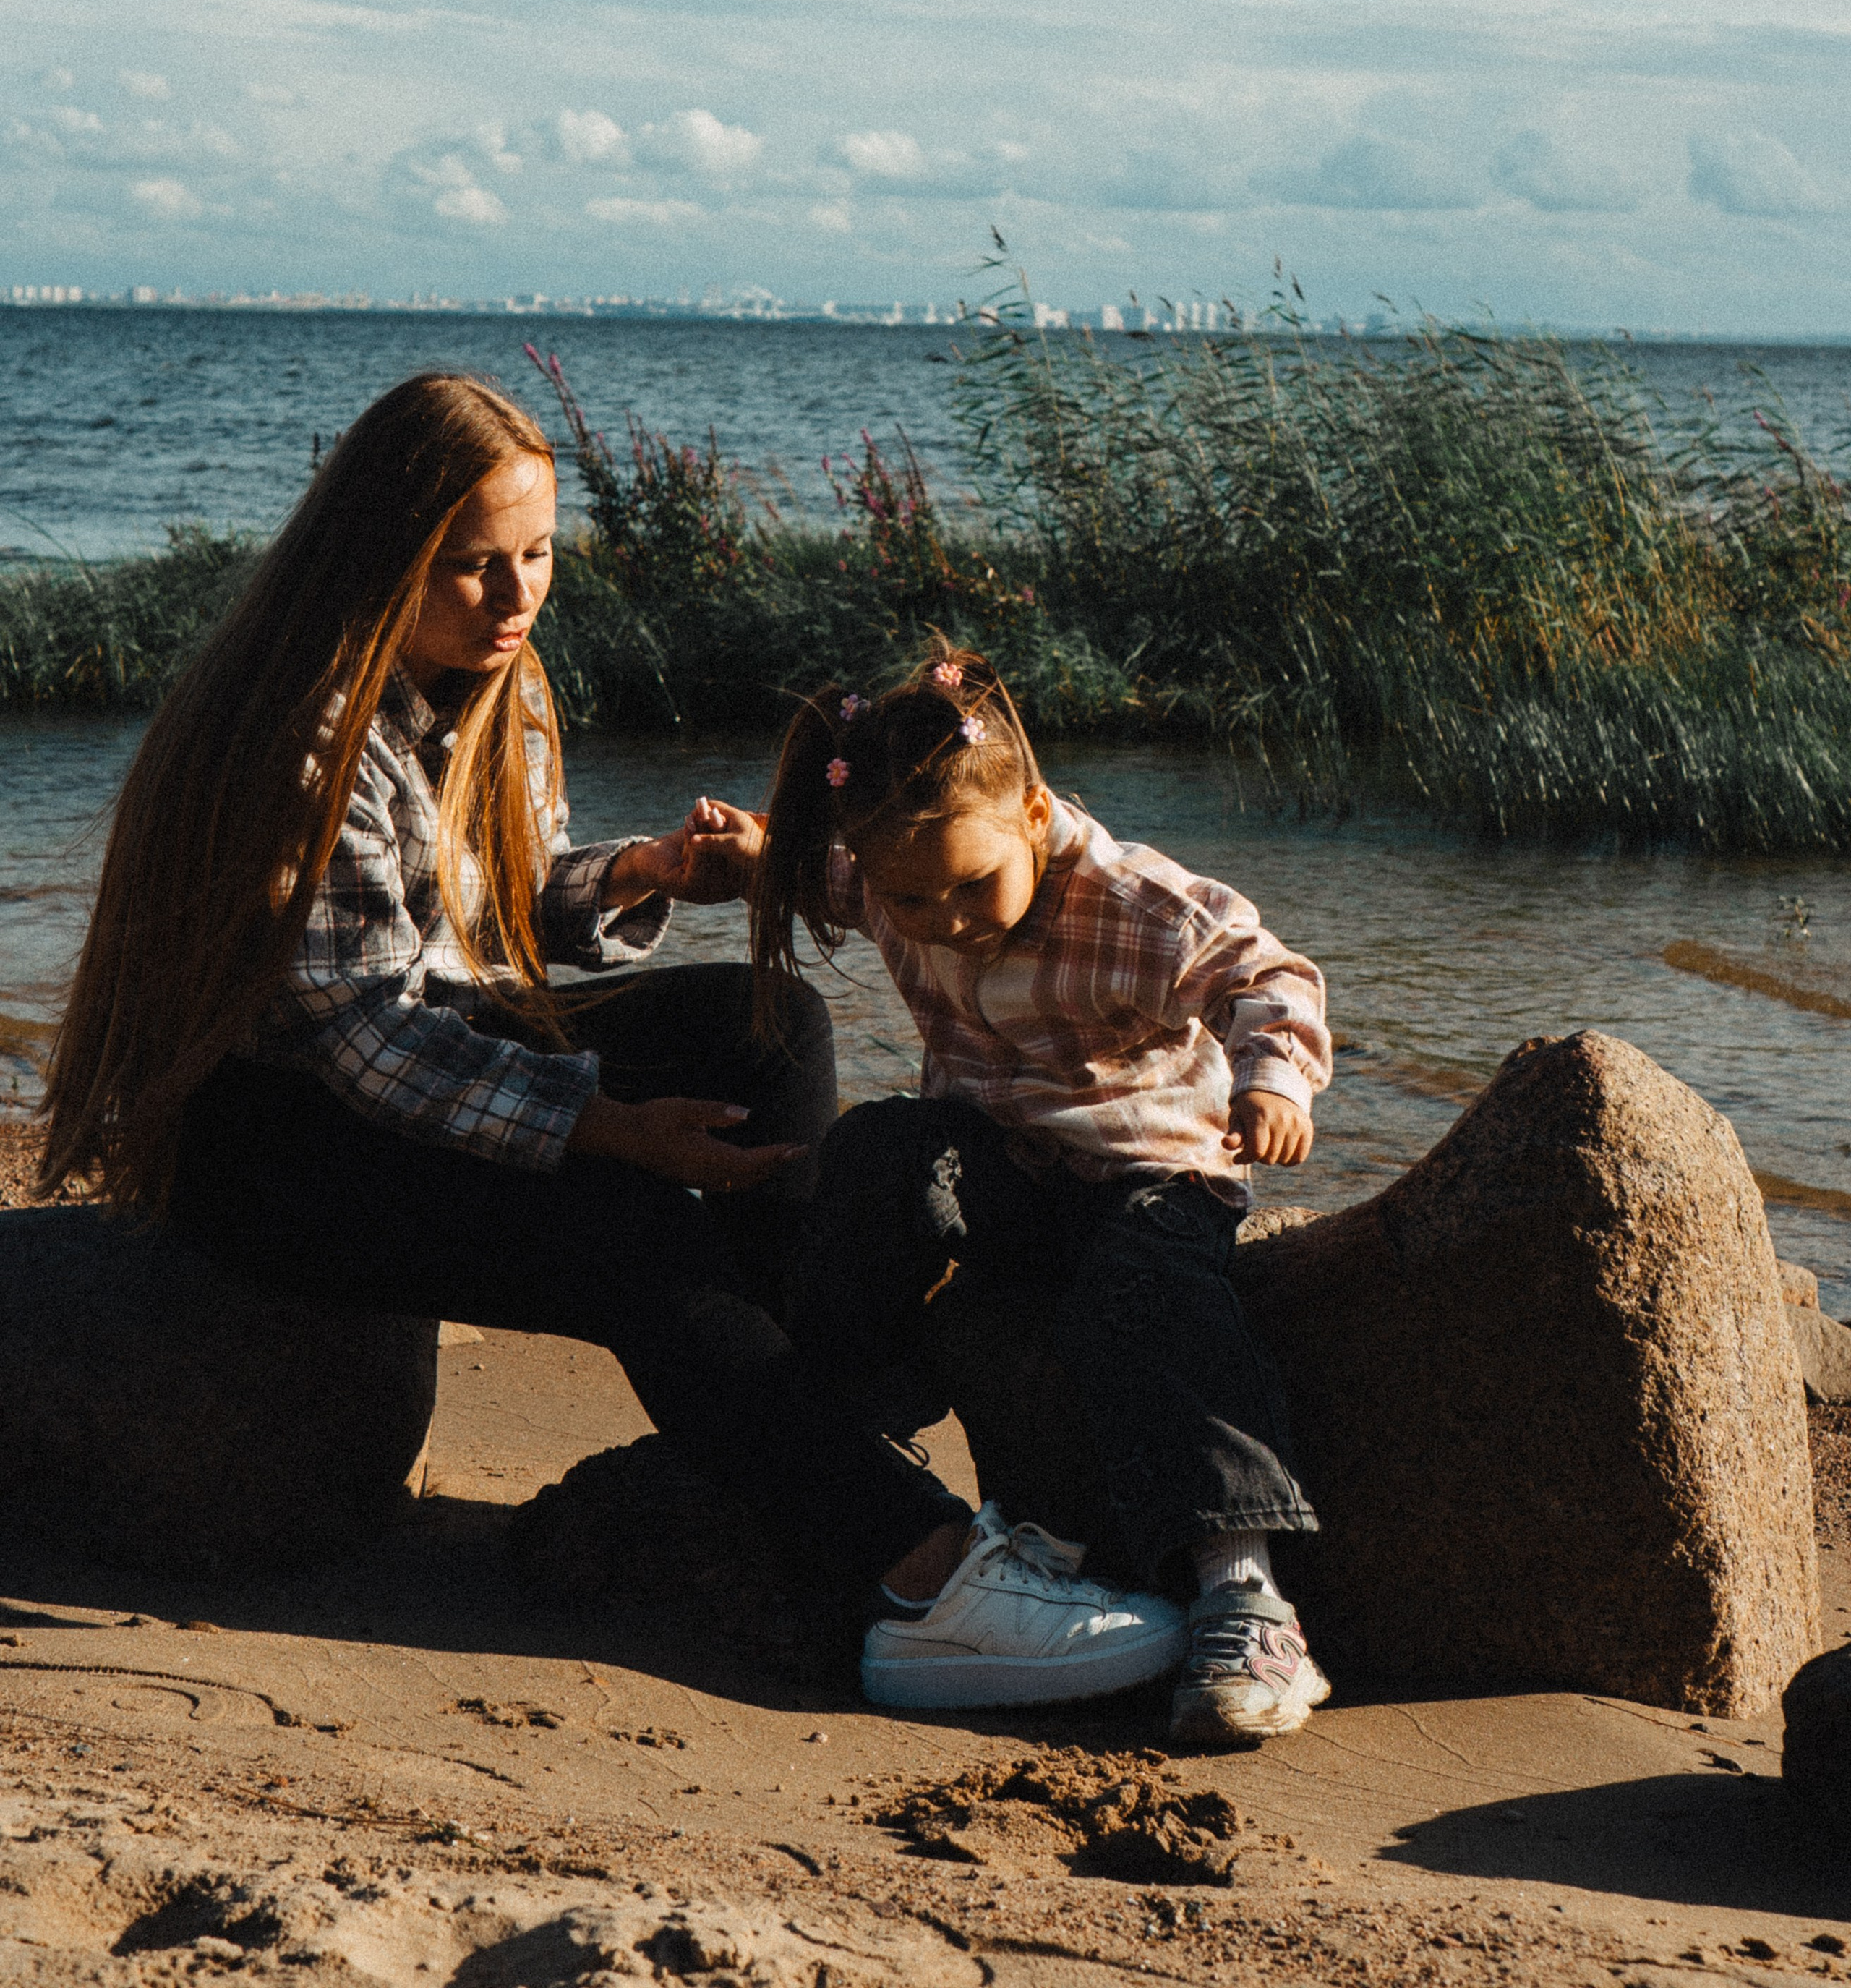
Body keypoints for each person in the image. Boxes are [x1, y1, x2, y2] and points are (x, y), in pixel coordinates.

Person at [35, 374, 1182, 1705]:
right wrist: (602, 1125)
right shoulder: (305, 738)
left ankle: (804, 1433)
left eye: (538, 554)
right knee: (624, 1225)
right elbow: (367, 1034)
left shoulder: (491, 681)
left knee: (767, 1026)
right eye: (474, 565)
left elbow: (475, 909)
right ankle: (919, 1575)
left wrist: (641, 872)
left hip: (401, 1050)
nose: (516, 595)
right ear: (380, 560)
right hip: (266, 1135)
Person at [681, 646, 1335, 1742]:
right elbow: (834, 882)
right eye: (910, 898)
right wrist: (755, 858)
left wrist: (1274, 1080)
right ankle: (852, 1430)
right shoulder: (901, 873)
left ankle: (1245, 1594)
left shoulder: (1130, 901)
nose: (944, 919)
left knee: (1146, 1291)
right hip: (1001, 1172)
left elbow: (1269, 975)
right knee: (874, 1149)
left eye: (970, 885)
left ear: (1034, 813)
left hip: (1151, 1175)